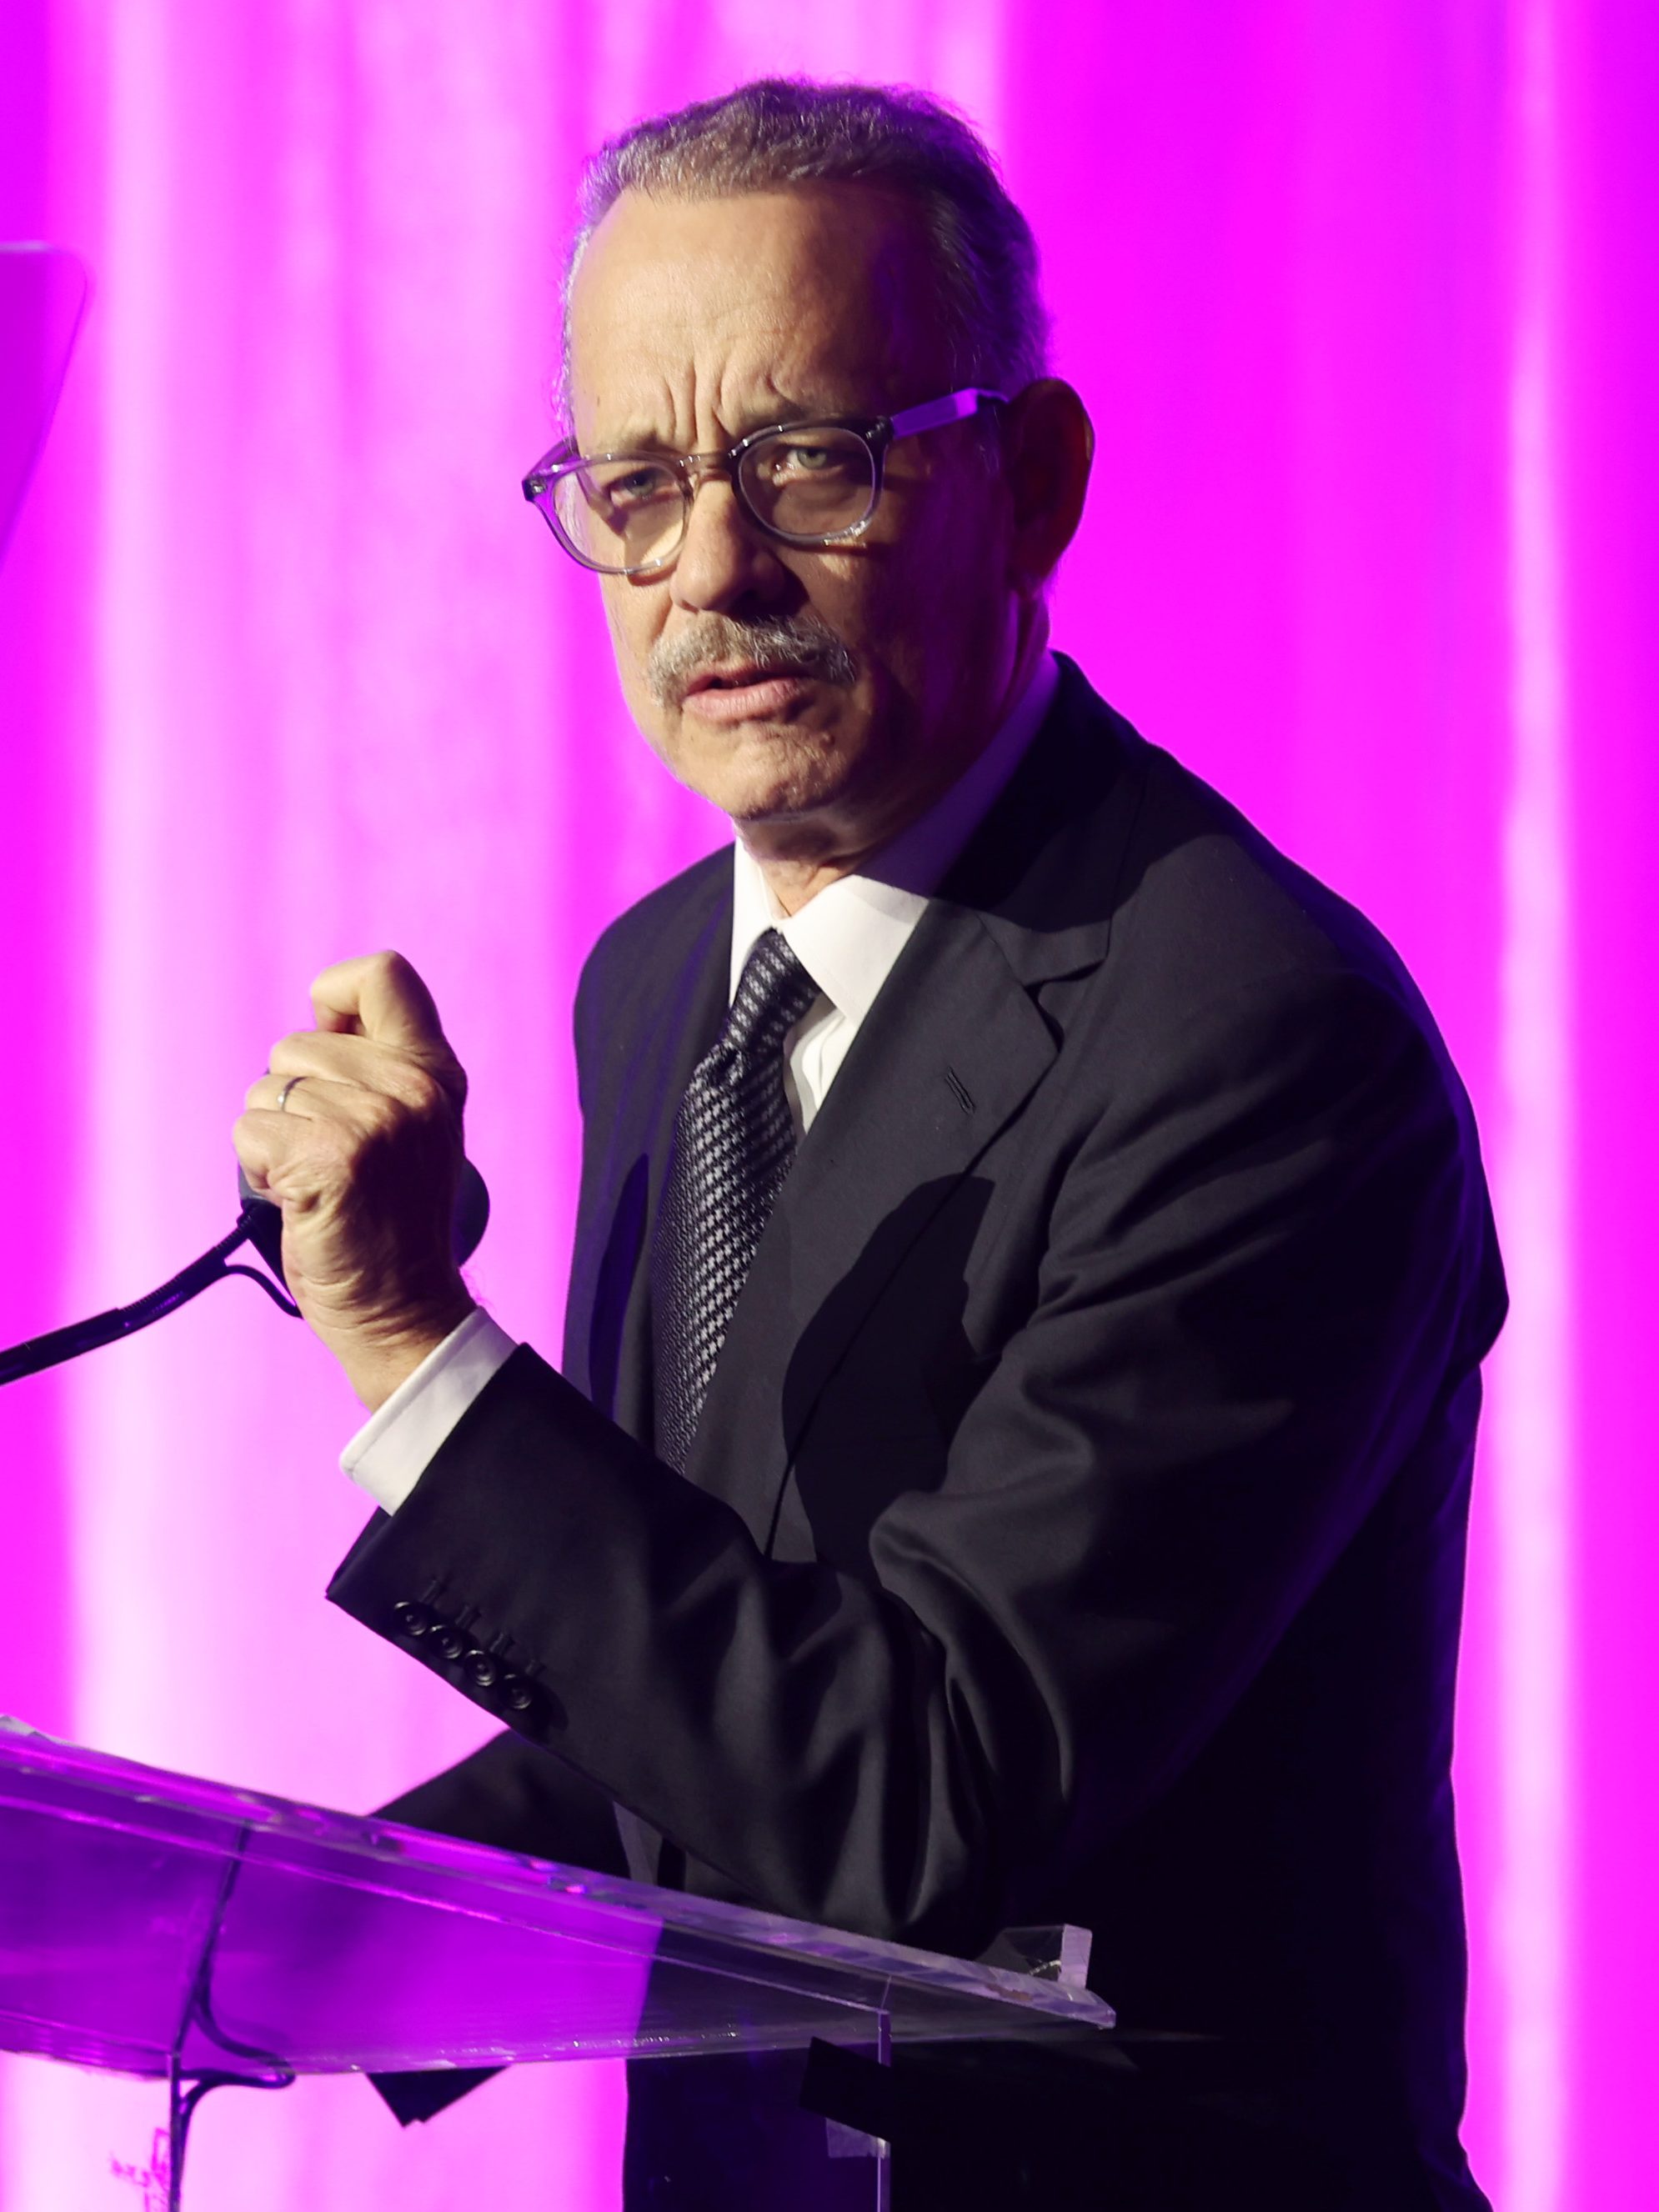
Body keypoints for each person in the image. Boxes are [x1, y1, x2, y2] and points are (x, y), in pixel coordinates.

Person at [233, 79, 1505, 2211]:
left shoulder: (1259, 1037)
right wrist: (240, 1935)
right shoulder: (658, 981)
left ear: (1030, 482)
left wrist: (415, 1351)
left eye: (809, 457)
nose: (709, 569)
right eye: (637, 486)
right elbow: (704, 1702)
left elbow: (916, 1800)